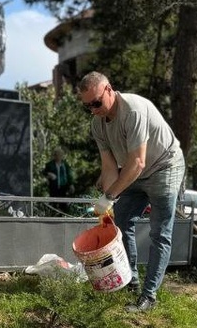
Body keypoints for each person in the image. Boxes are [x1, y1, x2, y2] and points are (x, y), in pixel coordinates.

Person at [78, 71, 185, 312]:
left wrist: (110, 196)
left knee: (160, 233)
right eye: (87, 106)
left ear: (109, 89)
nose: (93, 110)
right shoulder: (97, 124)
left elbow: (138, 162)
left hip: (164, 166)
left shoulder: (133, 110)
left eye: (96, 103)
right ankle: (131, 282)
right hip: (133, 171)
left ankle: (149, 297)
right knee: (121, 221)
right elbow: (109, 167)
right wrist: (108, 202)